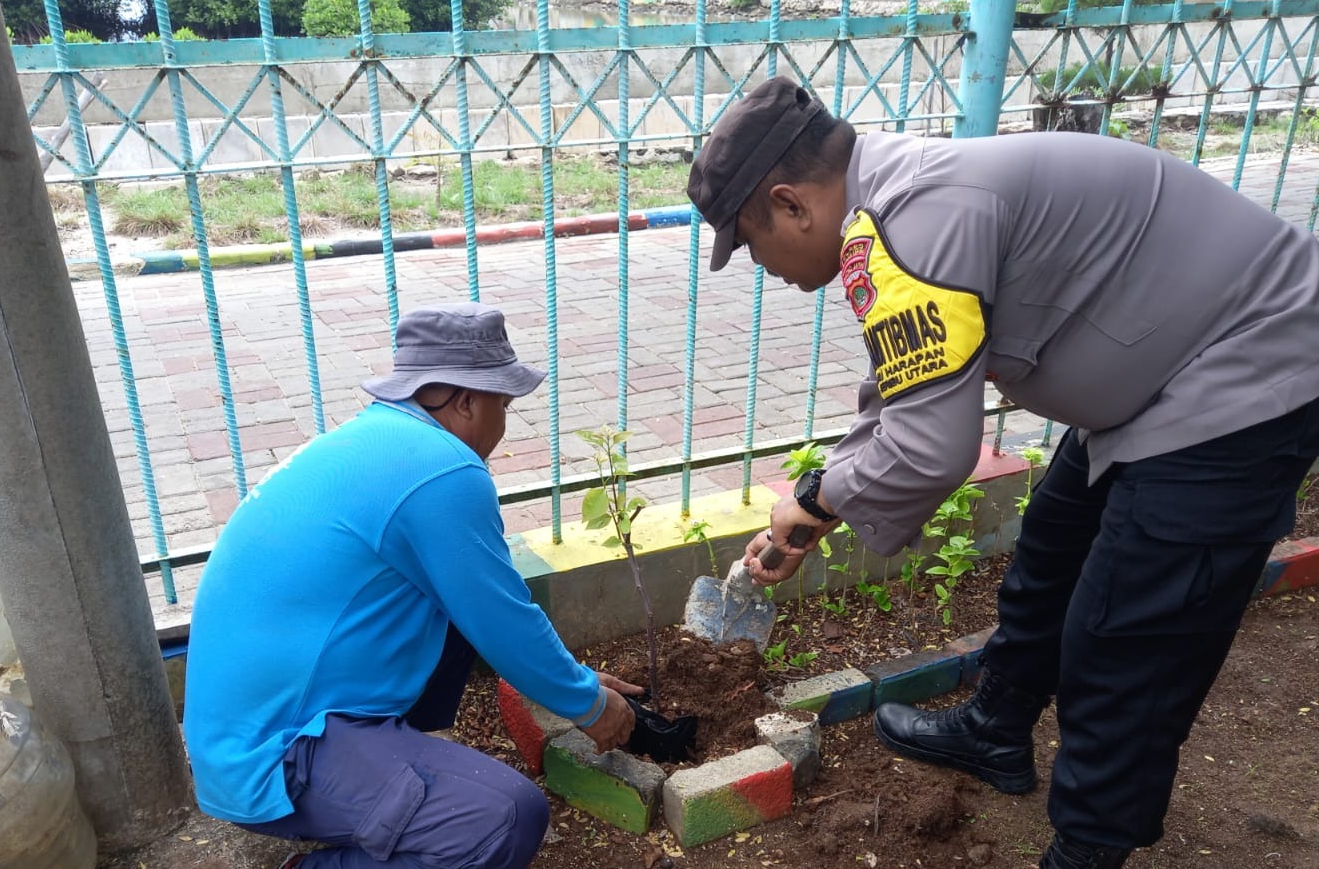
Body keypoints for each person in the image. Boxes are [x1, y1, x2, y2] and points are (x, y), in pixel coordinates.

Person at [688, 76, 1319, 869]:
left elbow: (928, 445)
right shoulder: (893, 204)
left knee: (1126, 640)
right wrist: (818, 499)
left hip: (1242, 372)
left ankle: (1086, 851)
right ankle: (996, 729)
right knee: (1053, 551)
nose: (760, 265)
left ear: (790, 203)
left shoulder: (916, 219)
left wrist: (821, 500)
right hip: (1162, 377)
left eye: (749, 243)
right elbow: (911, 383)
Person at [183, 302, 640, 869]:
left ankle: (398, 778)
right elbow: (503, 618)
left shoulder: (378, 441)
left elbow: (484, 604)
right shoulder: (442, 469)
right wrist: (590, 704)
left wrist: (569, 681)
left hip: (248, 727)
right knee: (504, 818)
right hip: (276, 754)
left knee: (450, 601)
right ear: (467, 400)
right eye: (504, 403)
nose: (504, 419)